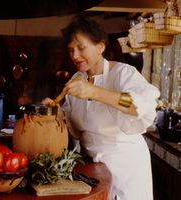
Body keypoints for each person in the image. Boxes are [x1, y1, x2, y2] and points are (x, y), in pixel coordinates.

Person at [42, 15, 160, 200]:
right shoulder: (76, 79)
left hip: (126, 168)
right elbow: (73, 121)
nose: (75, 56)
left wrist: (95, 92)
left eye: (81, 48)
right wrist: (56, 112)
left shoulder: (123, 73)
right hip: (93, 170)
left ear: (101, 47)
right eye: (71, 50)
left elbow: (140, 105)